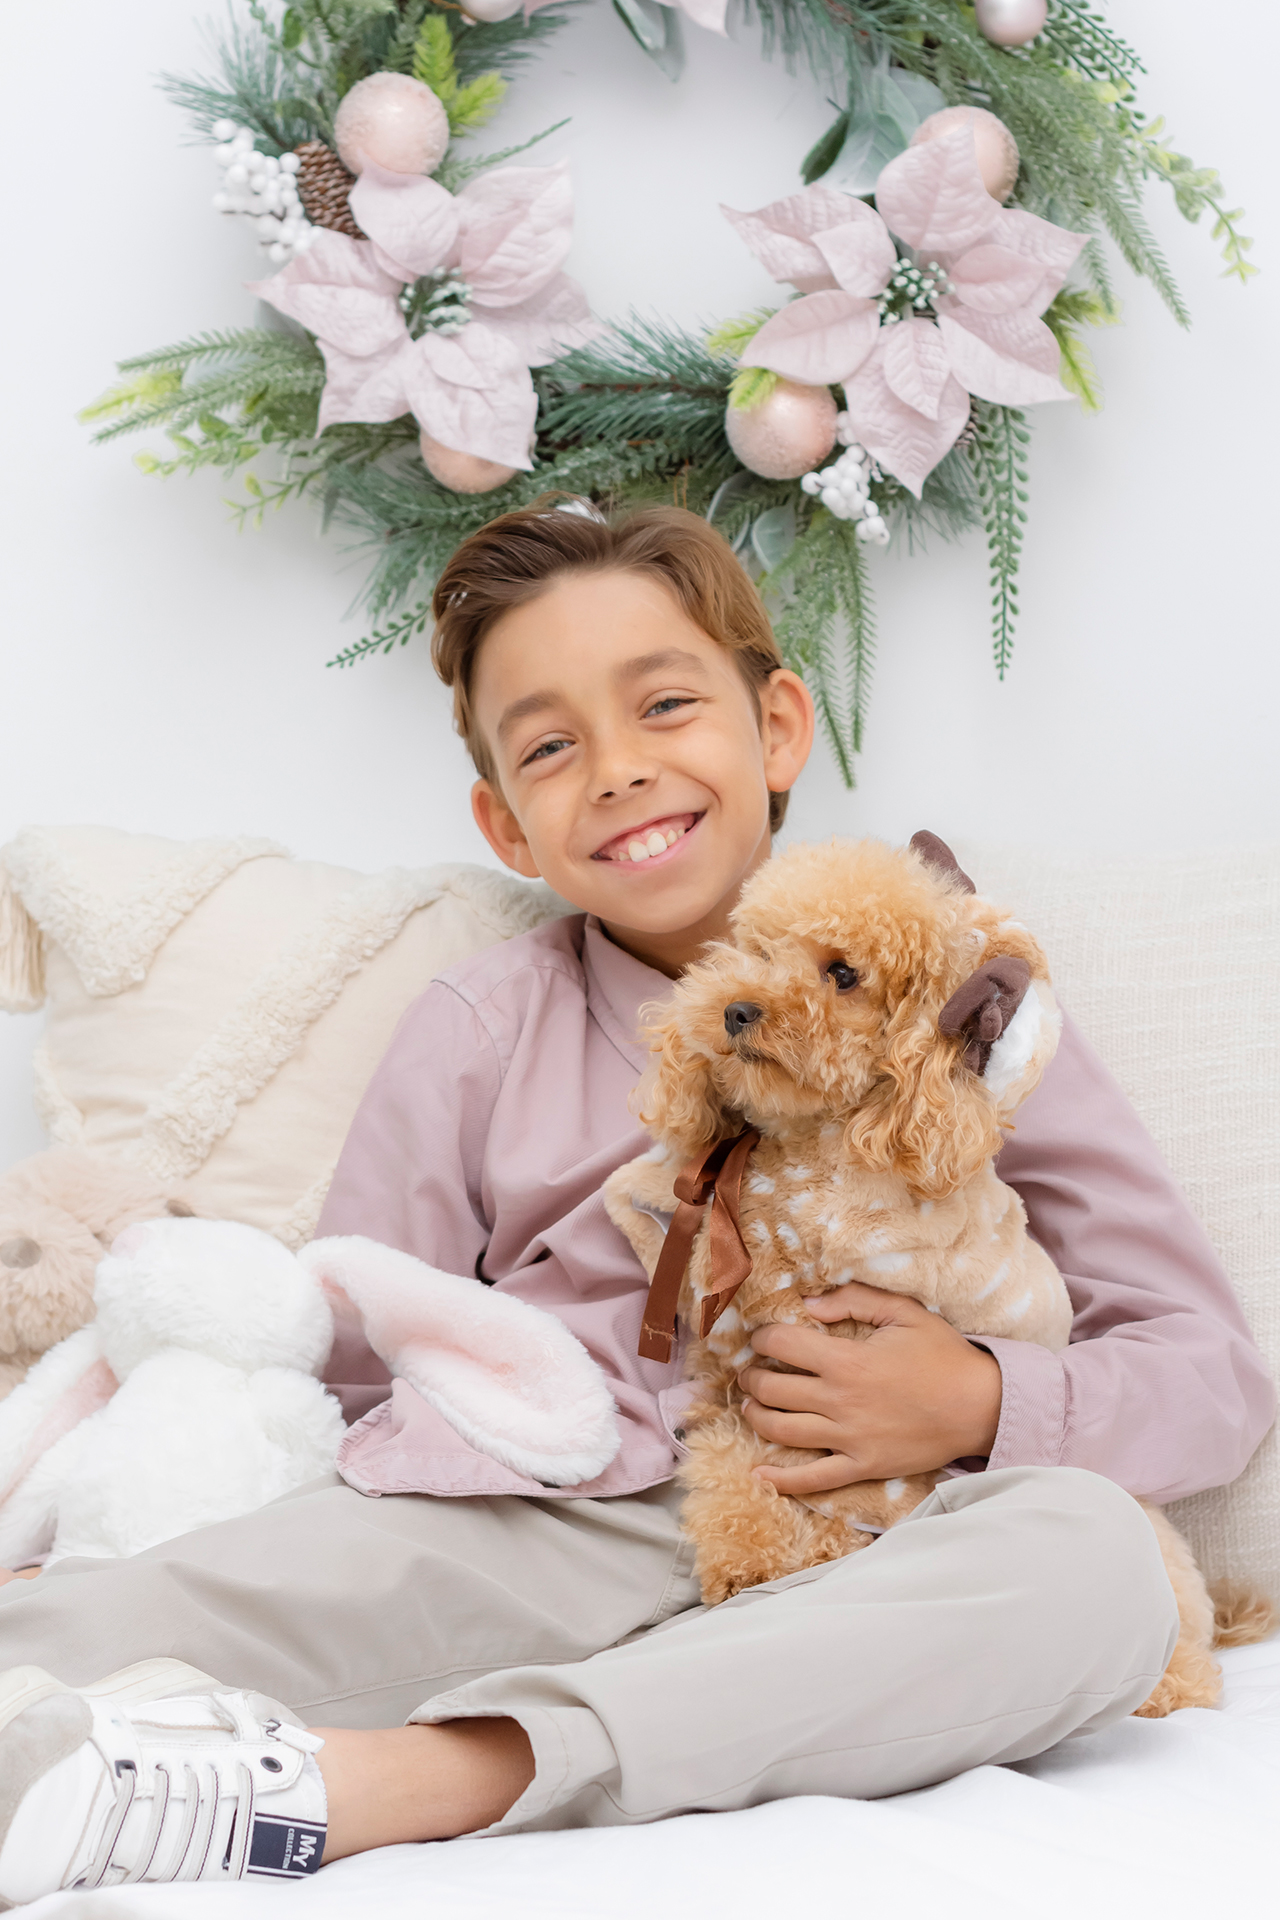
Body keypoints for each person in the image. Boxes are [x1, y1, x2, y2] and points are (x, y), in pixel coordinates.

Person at [0, 502, 1271, 1901]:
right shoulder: (481, 1024)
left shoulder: (961, 999)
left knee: (1097, 1570)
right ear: (505, 820)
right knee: (95, 1627)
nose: (617, 770)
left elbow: (1209, 1375)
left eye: (664, 704)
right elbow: (356, 1356)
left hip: (891, 1539)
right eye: (549, 746)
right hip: (553, 1518)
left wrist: (976, 1401)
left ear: (777, 726)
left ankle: (394, 1781)